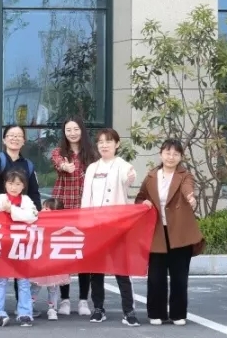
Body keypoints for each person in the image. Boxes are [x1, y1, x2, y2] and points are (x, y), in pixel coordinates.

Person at [134, 139, 204, 327]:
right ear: (161, 154)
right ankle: (156, 312)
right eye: (167, 153)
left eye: (175, 154)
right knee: (155, 277)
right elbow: (140, 198)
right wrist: (143, 203)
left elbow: (188, 188)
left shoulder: (185, 175)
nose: (171, 157)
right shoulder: (151, 176)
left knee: (179, 276)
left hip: (179, 232)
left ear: (180, 157)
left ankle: (178, 313)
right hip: (156, 231)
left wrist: (190, 197)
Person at [0, 124, 41, 317]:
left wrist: (38, 211)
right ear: (4, 139)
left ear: (24, 141)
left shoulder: (28, 165)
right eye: (11, 135)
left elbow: (34, 191)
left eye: (19, 136)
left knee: (20, 263)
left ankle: (22, 306)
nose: (15, 139)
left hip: (20, 220)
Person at [81, 128, 139, 326]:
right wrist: (85, 223)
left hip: (116, 226)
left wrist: (130, 177)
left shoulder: (123, 165)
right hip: (95, 226)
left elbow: (128, 178)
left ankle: (129, 310)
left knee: (121, 269)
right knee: (96, 270)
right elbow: (86, 197)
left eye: (108, 141)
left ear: (117, 144)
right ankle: (98, 308)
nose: (104, 145)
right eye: (101, 142)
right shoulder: (92, 168)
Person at [50, 118, 98, 316]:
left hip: (85, 209)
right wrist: (64, 166)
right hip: (63, 209)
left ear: (82, 130)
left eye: (76, 129)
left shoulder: (92, 154)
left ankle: (84, 300)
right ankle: (65, 299)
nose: (72, 133)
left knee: (83, 255)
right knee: (65, 255)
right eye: (68, 130)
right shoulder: (59, 152)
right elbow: (57, 162)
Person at [0, 169, 38, 327]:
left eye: (18, 184)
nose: (14, 187)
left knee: (23, 281)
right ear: (5, 184)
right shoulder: (1, 198)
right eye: (10, 183)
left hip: (21, 246)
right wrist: (7, 208)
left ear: (23, 186)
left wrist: (12, 210)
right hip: (4, 246)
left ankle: (25, 313)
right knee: (1, 281)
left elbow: (32, 216)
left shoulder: (27, 200)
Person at [33, 199, 72, 322]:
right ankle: (28, 306)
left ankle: (52, 309)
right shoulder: (37, 222)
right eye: (43, 207)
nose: (42, 210)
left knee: (53, 287)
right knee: (35, 286)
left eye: (46, 208)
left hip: (54, 263)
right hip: (40, 261)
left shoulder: (60, 226)